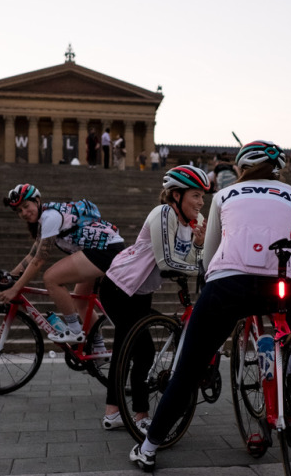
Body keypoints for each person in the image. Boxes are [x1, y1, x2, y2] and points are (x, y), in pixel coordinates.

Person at [129, 140, 291, 470]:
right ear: (278, 170)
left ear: (240, 169)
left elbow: (210, 255)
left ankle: (149, 446)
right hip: (282, 281)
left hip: (229, 283)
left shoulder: (224, 196)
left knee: (189, 367)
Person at [98, 166, 210, 431]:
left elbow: (193, 260)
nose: (201, 201)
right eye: (195, 195)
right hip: (119, 286)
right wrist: (204, 269)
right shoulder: (163, 213)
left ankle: (113, 412)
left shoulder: (197, 221)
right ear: (176, 195)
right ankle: (140, 415)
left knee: (130, 349)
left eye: (202, 196)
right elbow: (167, 262)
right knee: (143, 351)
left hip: (142, 291)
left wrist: (198, 245)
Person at [0, 184, 125, 344]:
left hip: (104, 250)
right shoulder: (45, 219)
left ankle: (75, 330)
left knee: (51, 278)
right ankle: (97, 347)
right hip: (101, 249)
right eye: (19, 211)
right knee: (81, 302)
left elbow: (39, 260)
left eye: (26, 206)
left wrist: (16, 288)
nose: (24, 213)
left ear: (37, 201)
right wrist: (9, 276)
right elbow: (32, 255)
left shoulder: (51, 217)